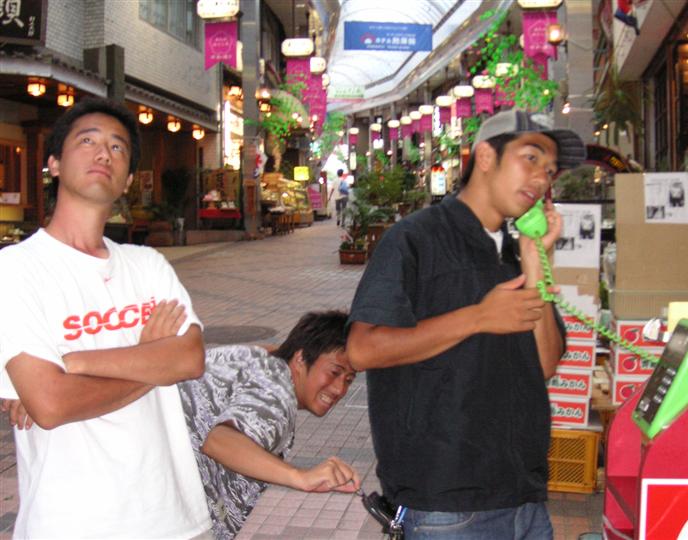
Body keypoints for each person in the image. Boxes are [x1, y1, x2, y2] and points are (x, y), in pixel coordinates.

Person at [346, 109, 586, 539]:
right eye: (531, 158)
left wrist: (536, 261)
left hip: (524, 495)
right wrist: (477, 317)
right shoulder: (415, 238)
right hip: (447, 504)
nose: (542, 179)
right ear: (486, 157)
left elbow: (545, 364)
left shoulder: (516, 251)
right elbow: (363, 349)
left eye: (550, 171)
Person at [0, 97, 211, 539]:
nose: (104, 153)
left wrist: (75, 362)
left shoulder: (147, 264)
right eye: (88, 141)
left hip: (174, 521)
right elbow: (51, 404)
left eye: (118, 147)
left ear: (128, 179)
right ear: (54, 163)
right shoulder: (15, 270)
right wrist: (150, 358)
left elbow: (189, 358)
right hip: (69, 525)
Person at [178, 310, 360, 540]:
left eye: (349, 379)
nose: (339, 389)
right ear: (300, 359)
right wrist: (300, 477)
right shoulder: (277, 399)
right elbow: (219, 441)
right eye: (334, 372)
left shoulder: (266, 358)